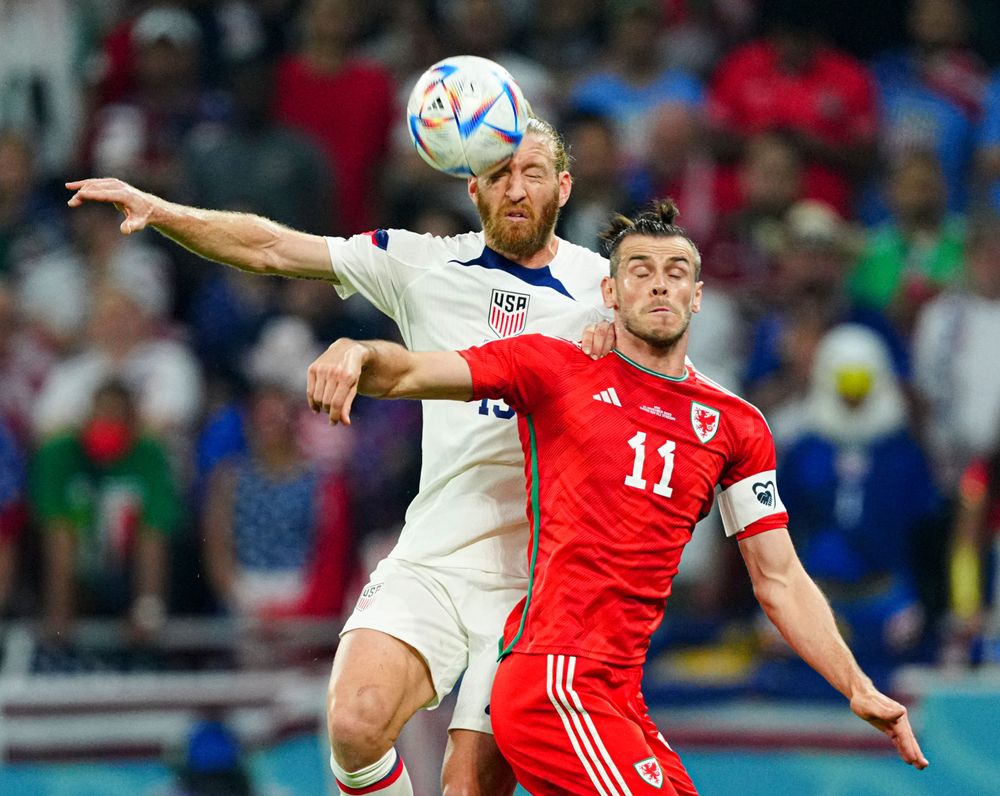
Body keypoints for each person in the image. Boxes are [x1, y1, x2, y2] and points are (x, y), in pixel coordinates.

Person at [66, 115, 612, 795]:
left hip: (542, 575)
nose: (517, 187)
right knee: (354, 726)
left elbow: (680, 390)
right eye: (500, 174)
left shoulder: (608, 292)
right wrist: (163, 210)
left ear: (563, 186)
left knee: (471, 782)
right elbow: (271, 248)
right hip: (436, 555)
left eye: (533, 172)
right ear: (474, 188)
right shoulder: (423, 263)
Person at [306, 200, 929, 794]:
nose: (659, 285)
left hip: (618, 694)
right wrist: (359, 352)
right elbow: (416, 370)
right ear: (609, 294)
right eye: (640, 270)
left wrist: (855, 684)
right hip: (556, 677)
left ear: (698, 296)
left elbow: (780, 578)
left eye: (676, 271)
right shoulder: (556, 370)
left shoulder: (736, 425)